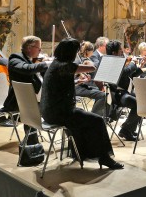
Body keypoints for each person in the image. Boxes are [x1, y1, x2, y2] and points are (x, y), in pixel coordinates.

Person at [40, 38, 123, 169]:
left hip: (50, 111)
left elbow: (60, 85)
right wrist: (87, 60)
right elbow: (92, 67)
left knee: (86, 118)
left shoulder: (56, 64)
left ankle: (81, 152)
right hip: (60, 113)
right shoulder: (65, 65)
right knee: (98, 121)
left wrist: (77, 82)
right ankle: (104, 158)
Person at [1, 36, 50, 139]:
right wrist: (45, 64)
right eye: (38, 48)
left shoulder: (32, 59)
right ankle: (31, 140)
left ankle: (32, 139)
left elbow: (44, 77)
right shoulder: (15, 58)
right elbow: (27, 69)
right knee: (52, 108)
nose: (40, 51)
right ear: (29, 47)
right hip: (19, 100)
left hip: (33, 97)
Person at [106, 40, 141, 141]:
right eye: (120, 51)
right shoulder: (112, 62)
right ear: (114, 53)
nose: (122, 52)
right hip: (117, 95)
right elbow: (125, 72)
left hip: (123, 92)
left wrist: (139, 68)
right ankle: (126, 130)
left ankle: (129, 129)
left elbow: (128, 75)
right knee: (139, 104)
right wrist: (133, 63)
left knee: (142, 101)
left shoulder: (116, 61)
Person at [74, 41, 108, 116]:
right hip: (76, 87)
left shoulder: (82, 59)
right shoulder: (81, 60)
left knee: (104, 93)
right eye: (92, 52)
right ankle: (94, 116)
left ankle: (100, 114)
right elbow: (91, 67)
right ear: (88, 51)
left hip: (81, 84)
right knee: (104, 95)